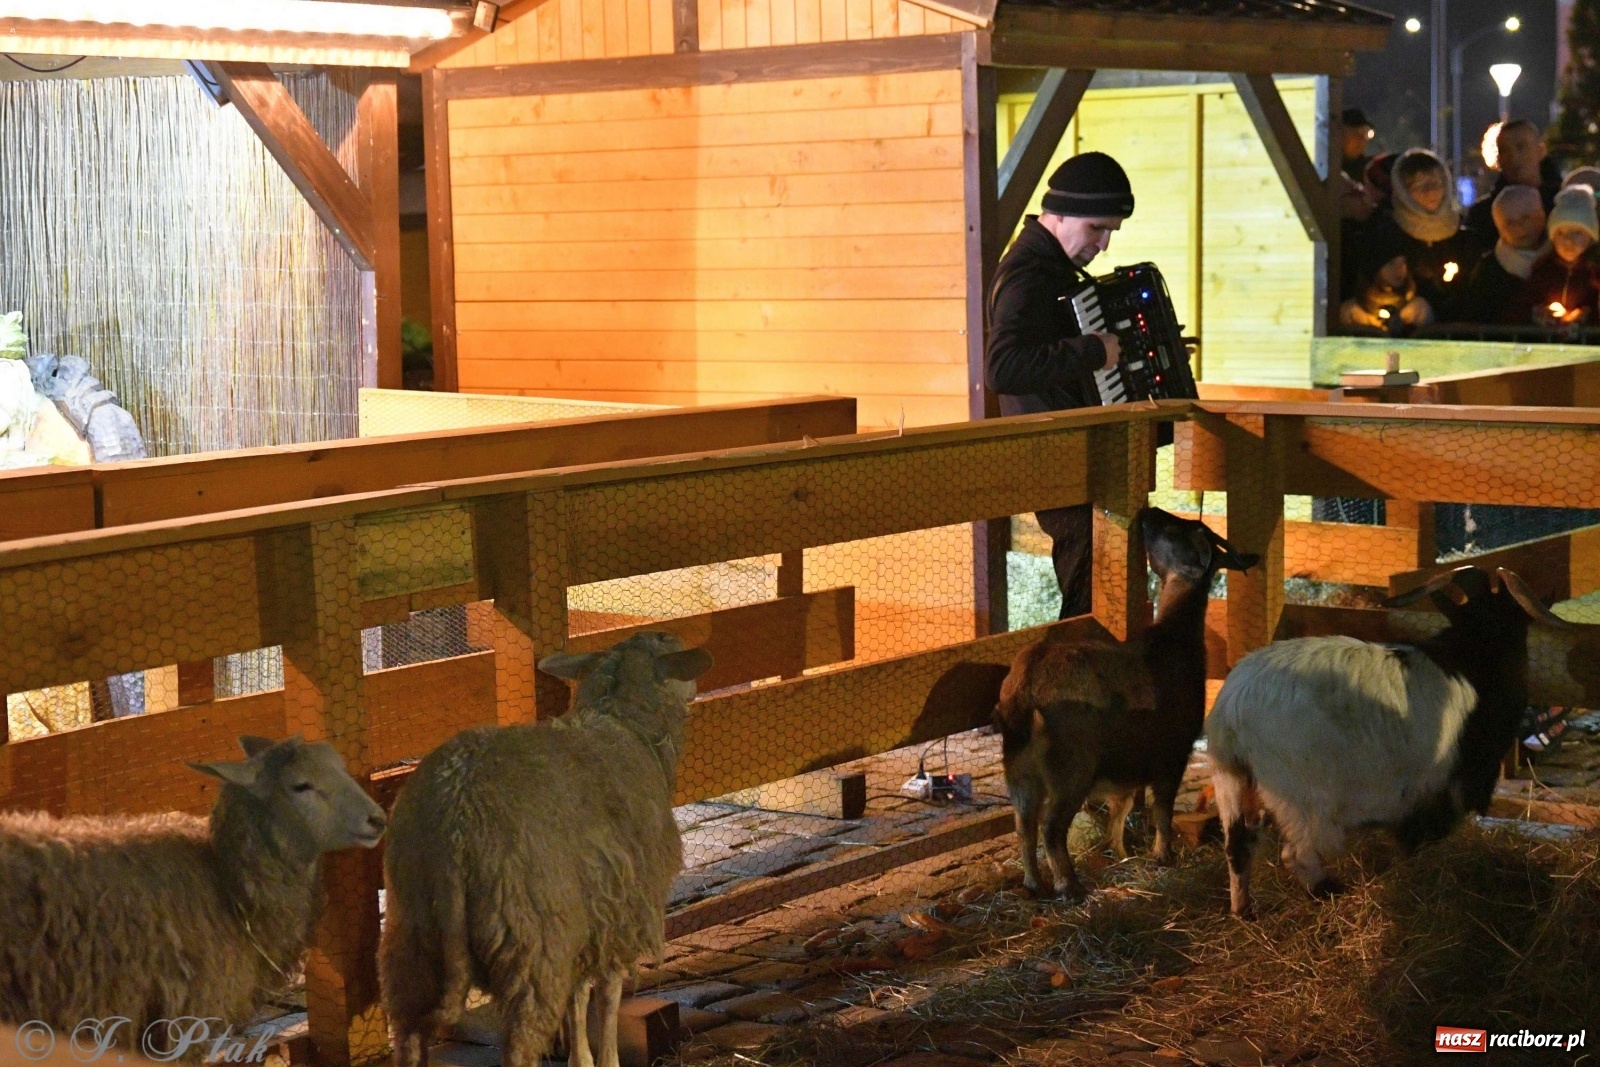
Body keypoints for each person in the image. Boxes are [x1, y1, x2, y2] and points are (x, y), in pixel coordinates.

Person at [985, 151, 1132, 619]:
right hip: (1052, 457)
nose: (1104, 245)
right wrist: (1093, 352)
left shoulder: (1051, 270)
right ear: (1060, 214)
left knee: (1097, 583)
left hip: (1068, 453)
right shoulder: (1028, 276)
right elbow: (1003, 368)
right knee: (1087, 589)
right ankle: (1071, 660)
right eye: (1096, 228)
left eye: (1111, 232)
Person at [1358, 149, 1477, 320]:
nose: (1430, 192)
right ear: (1402, 191)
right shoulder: (1386, 233)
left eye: (1435, 184)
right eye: (1419, 186)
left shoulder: (1462, 235)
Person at [1460, 185, 1546, 325]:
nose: (1518, 228)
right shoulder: (1489, 270)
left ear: (1541, 216)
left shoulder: (1563, 256)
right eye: (1509, 223)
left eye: (1525, 218)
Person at [1466, 120, 1561, 240]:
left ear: (1540, 151)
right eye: (1504, 150)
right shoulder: (1482, 215)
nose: (1513, 156)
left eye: (1521, 147)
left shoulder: (1564, 203)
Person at [1527, 185, 1600, 327]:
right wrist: (1539, 313)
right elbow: (1528, 302)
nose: (1568, 240)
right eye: (1561, 233)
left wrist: (1586, 316)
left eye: (1577, 233)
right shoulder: (1543, 270)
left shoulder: (1595, 273)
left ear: (1590, 237)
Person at [1339, 226, 1433, 334]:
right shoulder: (1353, 313)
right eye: (1391, 263)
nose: (1399, 270)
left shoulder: (1418, 310)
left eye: (1403, 263)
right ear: (1375, 269)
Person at [1341, 106, 1375, 182]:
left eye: (1366, 134)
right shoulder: (1327, 166)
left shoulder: (1371, 171)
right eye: (1356, 133)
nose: (1362, 140)